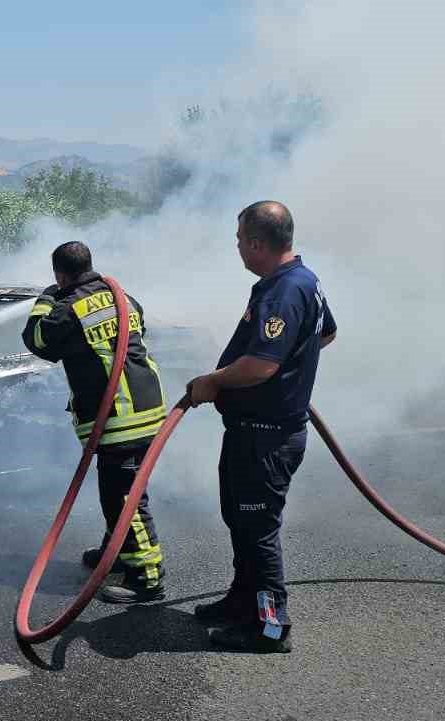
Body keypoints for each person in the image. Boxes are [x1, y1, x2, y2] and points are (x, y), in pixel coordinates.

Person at [186, 201, 337, 652]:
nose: (236, 248)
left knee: (258, 530)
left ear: (256, 243)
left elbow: (261, 365)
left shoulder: (283, 291)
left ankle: (271, 628)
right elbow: (325, 333)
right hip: (255, 430)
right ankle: (241, 603)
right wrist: (295, 371)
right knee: (240, 521)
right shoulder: (299, 281)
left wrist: (212, 381)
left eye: (238, 241)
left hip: (265, 437)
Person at [23, 241, 169, 603]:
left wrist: (46, 297)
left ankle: (147, 578)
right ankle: (116, 552)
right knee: (119, 491)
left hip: (120, 418)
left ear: (60, 274)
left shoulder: (68, 309)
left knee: (124, 498)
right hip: (147, 408)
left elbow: (37, 340)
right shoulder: (124, 298)